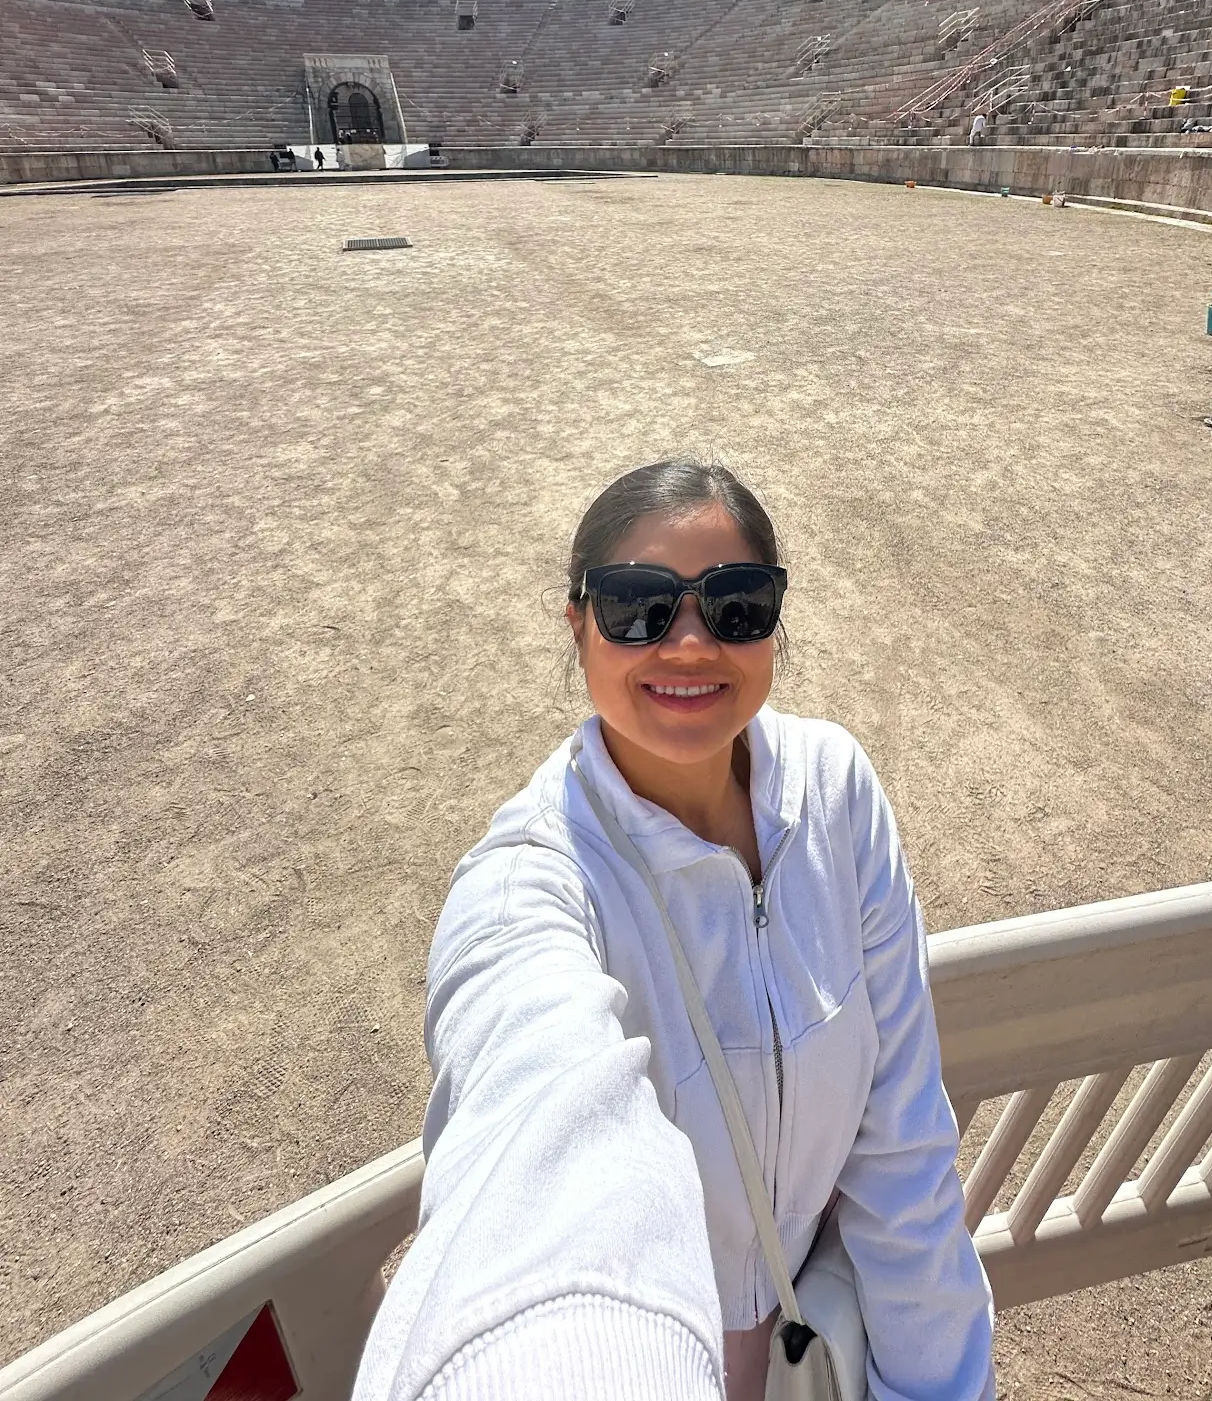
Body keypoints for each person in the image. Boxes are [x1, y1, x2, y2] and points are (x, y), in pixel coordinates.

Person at [354, 461, 995, 1401]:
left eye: (735, 604)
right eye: (637, 606)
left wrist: (943, 1388)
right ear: (575, 624)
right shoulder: (528, 887)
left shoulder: (835, 793)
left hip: (832, 1335)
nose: (691, 644)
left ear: (775, 622)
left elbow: (900, 1148)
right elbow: (538, 1145)